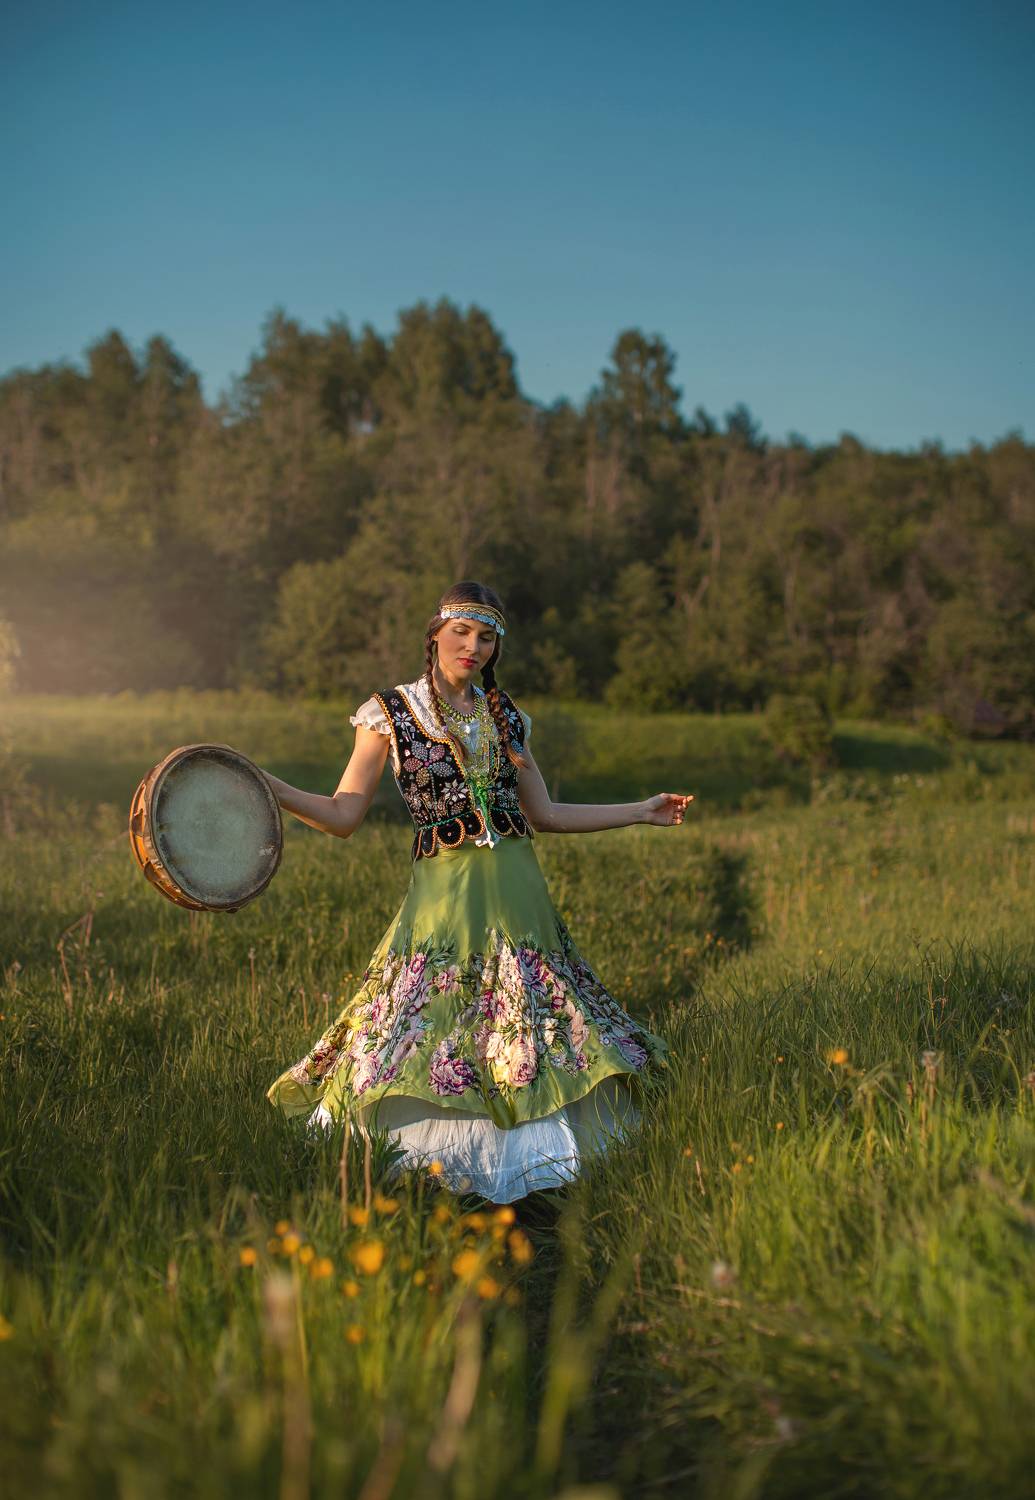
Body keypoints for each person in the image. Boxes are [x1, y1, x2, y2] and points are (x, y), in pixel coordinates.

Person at [261, 581, 692, 1203]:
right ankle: (425, 1170)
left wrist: (640, 811)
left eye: (487, 637)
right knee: (433, 1019)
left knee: (526, 1021)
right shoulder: (392, 711)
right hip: (444, 894)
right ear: (434, 634)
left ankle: (541, 1172)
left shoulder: (507, 716)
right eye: (461, 632)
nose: (473, 646)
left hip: (518, 890)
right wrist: (266, 784)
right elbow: (341, 813)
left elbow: (543, 814)